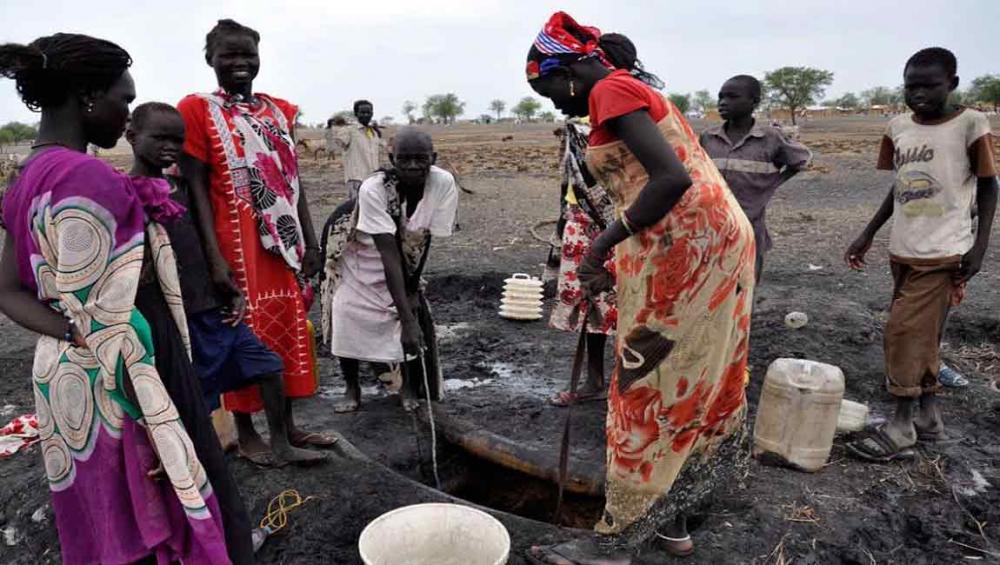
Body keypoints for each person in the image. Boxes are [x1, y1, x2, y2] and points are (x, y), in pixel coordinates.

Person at [0, 34, 253, 563]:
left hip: (66, 374)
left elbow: (8, 292)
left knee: (110, 515)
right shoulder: (88, 177)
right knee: (183, 497)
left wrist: (72, 332)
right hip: (133, 366)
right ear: (88, 94)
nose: (127, 113)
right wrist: (151, 417)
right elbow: (114, 319)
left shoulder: (26, 178)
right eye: (125, 99)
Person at [524, 12, 755, 563]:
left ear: (571, 70)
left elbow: (669, 179)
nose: (553, 102)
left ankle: (616, 545)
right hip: (701, 243)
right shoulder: (627, 92)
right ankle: (672, 525)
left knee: (645, 389)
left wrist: (603, 245)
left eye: (547, 88)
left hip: (687, 249)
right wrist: (622, 249)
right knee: (689, 376)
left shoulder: (611, 89)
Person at [127, 102, 327, 467]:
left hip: (212, 305)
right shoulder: (126, 195)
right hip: (177, 316)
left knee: (267, 366)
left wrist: (227, 288)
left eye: (178, 139)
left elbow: (205, 240)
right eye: (160, 138)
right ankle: (192, 463)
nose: (170, 146)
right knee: (192, 394)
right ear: (131, 137)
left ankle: (280, 443)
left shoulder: (181, 186)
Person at [177, 19, 337, 460]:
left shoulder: (278, 110)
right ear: (210, 59)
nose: (240, 63)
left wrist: (310, 242)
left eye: (248, 53)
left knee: (286, 328)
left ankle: (286, 428)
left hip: (282, 245)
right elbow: (194, 190)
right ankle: (246, 432)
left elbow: (292, 182)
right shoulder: (196, 111)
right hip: (232, 244)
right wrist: (214, 259)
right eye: (228, 54)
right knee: (242, 334)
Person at [844, 47, 997, 462]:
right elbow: (899, 186)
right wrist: (868, 233)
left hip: (945, 251)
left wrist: (980, 247)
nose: (919, 94)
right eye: (911, 86)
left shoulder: (971, 123)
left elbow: (988, 186)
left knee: (903, 332)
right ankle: (929, 419)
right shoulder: (897, 127)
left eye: (929, 85)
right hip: (904, 249)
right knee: (923, 335)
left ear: (953, 83)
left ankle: (901, 424)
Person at [321, 127, 458, 412]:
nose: (412, 166)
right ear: (392, 158)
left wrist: (412, 288)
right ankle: (352, 388)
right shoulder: (375, 188)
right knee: (347, 311)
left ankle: (407, 388)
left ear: (433, 157)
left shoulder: (443, 184)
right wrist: (409, 320)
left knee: (399, 312)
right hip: (359, 249)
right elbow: (387, 252)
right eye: (404, 159)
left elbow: (423, 240)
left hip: (403, 252)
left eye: (420, 159)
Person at [698, 75, 812, 283]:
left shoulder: (770, 138)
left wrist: (772, 183)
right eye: (721, 97)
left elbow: (801, 159)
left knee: (744, 288)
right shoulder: (707, 138)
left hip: (750, 228)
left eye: (732, 96)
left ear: (754, 102)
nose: (723, 102)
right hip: (710, 229)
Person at [548, 118, 618, 406]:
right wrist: (562, 226)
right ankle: (595, 381)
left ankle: (632, 384)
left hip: (620, 221)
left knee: (630, 305)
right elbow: (568, 185)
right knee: (590, 307)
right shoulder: (573, 127)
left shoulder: (618, 122)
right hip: (579, 221)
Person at [331, 100, 386, 200]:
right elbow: (339, 141)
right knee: (356, 210)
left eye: (368, 112)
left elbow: (383, 149)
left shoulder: (373, 132)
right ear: (356, 114)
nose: (366, 115)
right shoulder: (349, 130)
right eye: (362, 112)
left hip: (373, 179)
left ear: (372, 114)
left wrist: (378, 132)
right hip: (357, 179)